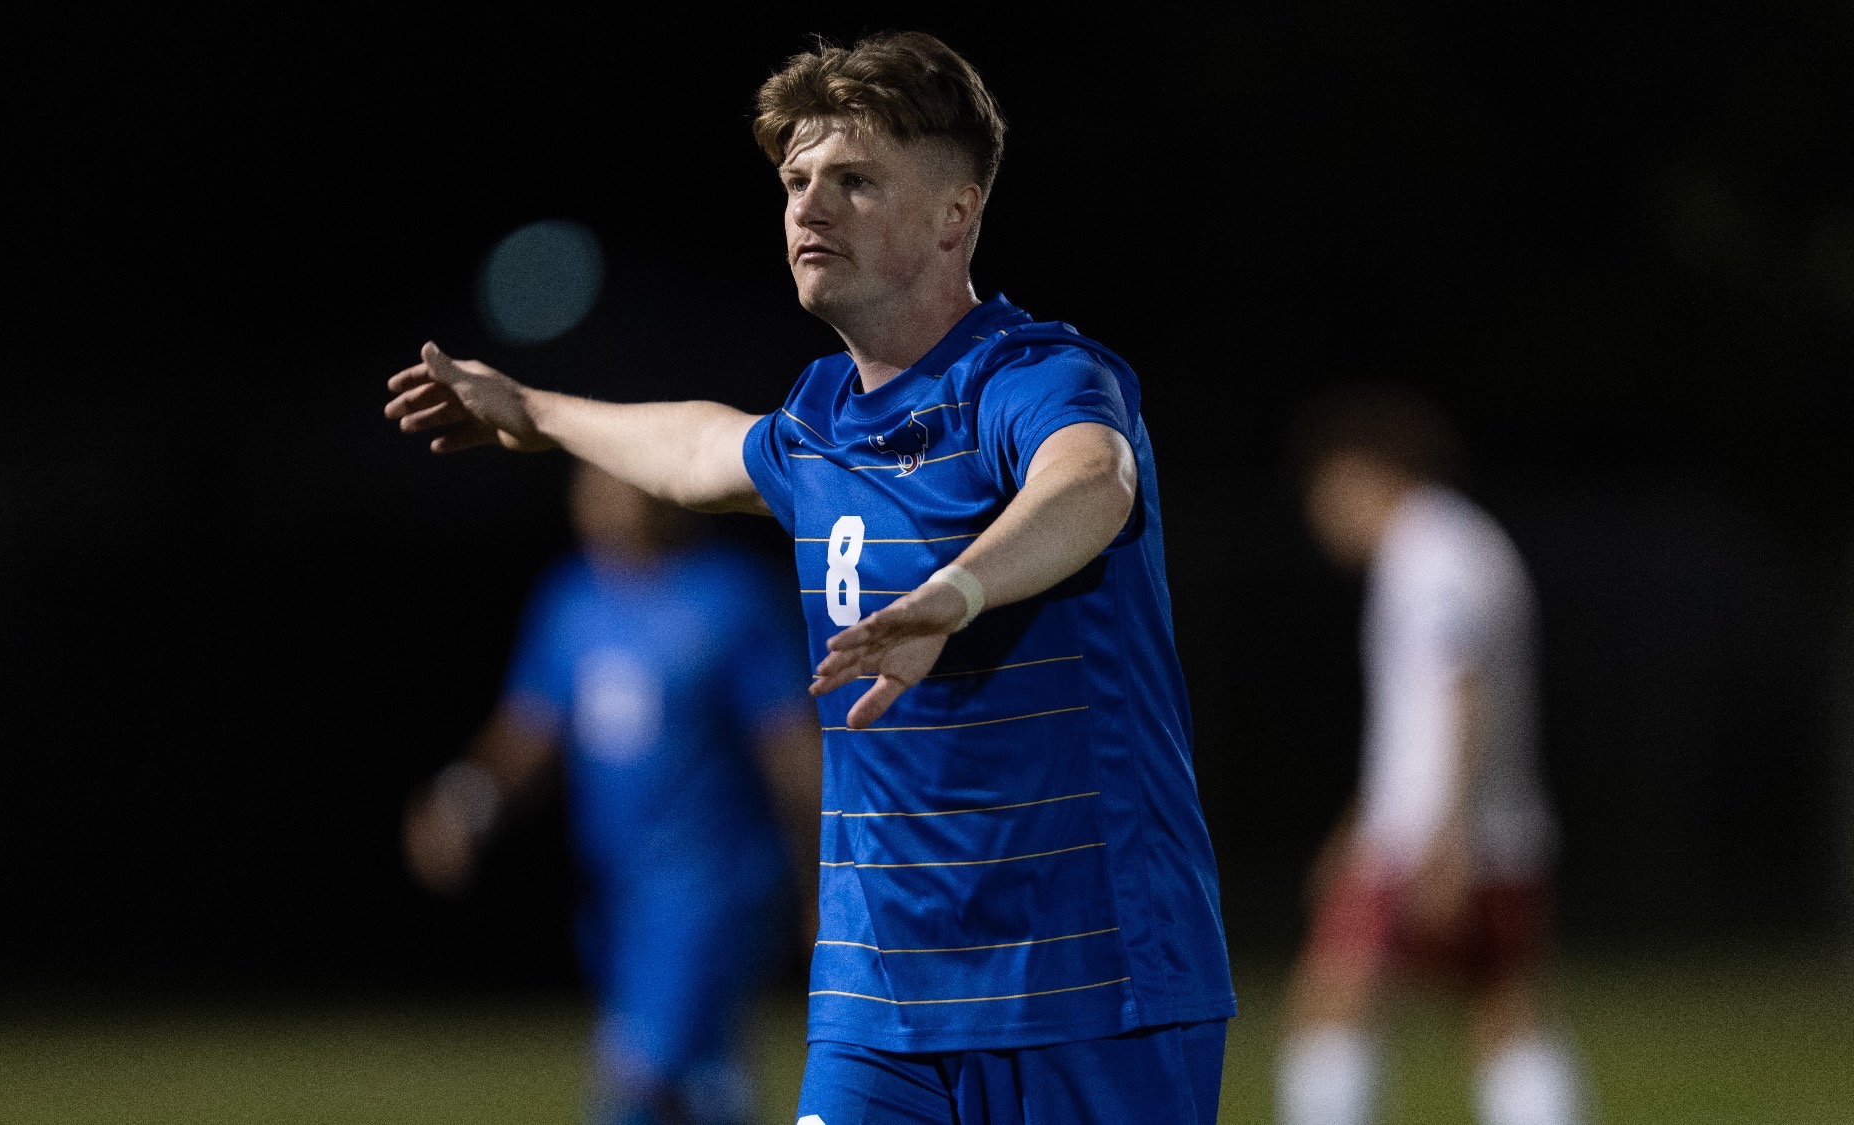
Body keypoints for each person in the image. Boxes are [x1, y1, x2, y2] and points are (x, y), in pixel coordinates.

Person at [386, 31, 1234, 1123]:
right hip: (878, 998)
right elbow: (698, 448)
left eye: (854, 181)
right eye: (795, 181)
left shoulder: (1032, 375)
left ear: (955, 214)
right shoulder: (821, 420)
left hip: (1089, 982)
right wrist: (535, 411)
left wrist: (954, 594)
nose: (809, 208)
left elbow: (1091, 481)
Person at [403, 461, 819, 1125]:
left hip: (711, 885)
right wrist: (464, 801)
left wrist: (824, 878)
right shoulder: (572, 602)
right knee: (700, 1082)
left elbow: (791, 749)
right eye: (591, 483)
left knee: (638, 1078)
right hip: (617, 889)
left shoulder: (729, 598)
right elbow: (531, 730)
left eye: (618, 482)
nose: (601, 499)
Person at [1278, 386, 1586, 1125]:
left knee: (1328, 1003)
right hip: (1498, 826)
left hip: (1429, 836)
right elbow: (1420, 718)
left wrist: (1446, 835)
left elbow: (1460, 687)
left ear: (1359, 470)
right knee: (1505, 1015)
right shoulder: (1467, 541)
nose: (1320, 514)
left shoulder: (1428, 555)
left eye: (1322, 490)